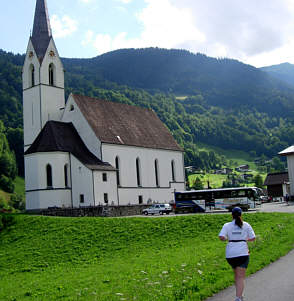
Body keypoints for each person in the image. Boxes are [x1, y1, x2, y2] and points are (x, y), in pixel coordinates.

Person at [219, 207, 256, 301]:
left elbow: (221, 236)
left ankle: (239, 295)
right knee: (240, 277)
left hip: (230, 254)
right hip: (242, 253)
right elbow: (253, 238)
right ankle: (238, 298)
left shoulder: (227, 225)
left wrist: (227, 239)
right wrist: (245, 239)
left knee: (236, 275)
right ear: (241, 215)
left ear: (231, 215)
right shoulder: (246, 225)